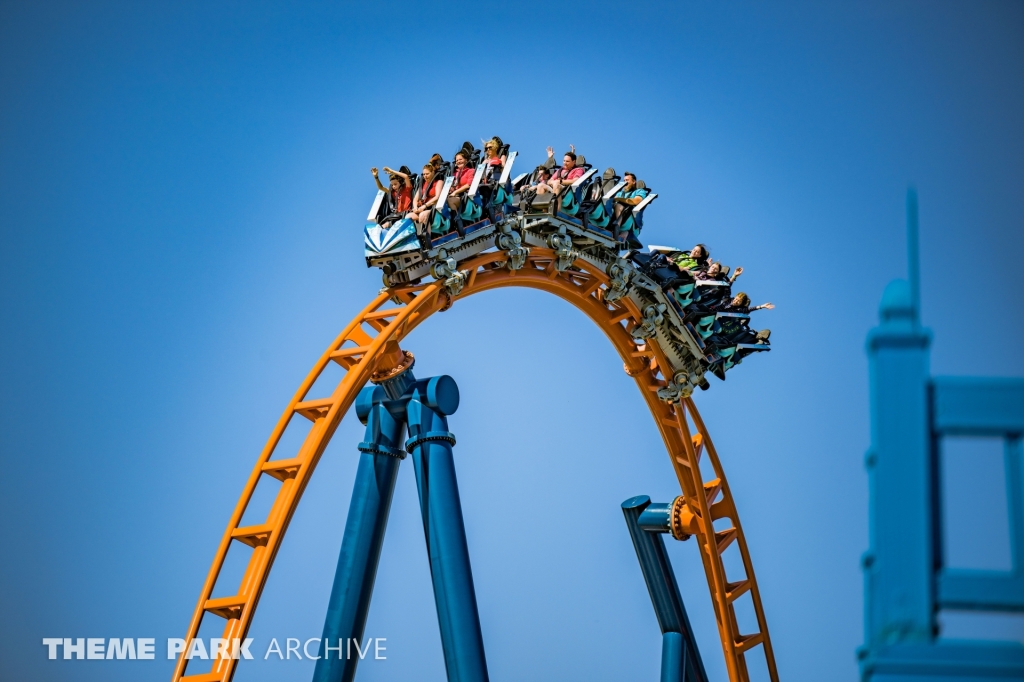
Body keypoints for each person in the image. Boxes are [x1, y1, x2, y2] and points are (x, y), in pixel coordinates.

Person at [611, 172, 650, 241]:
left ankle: (617, 227)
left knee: (618, 205)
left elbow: (636, 201)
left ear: (634, 181)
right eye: (624, 180)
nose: (625, 182)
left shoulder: (639, 191)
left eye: (627, 180)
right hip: (617, 213)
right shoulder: (620, 193)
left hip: (629, 216)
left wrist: (618, 199)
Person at [408, 163, 444, 232]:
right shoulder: (423, 185)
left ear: (433, 172)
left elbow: (437, 197)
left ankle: (427, 237)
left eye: (427, 174)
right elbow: (415, 199)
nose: (425, 176)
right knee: (408, 217)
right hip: (422, 208)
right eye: (424, 174)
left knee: (422, 215)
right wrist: (415, 207)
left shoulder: (439, 182)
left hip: (433, 208)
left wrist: (424, 206)